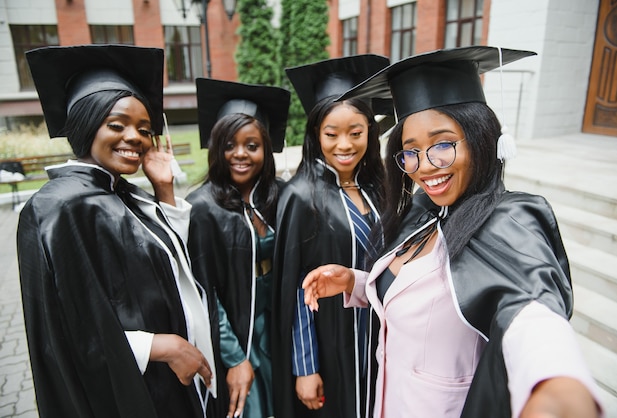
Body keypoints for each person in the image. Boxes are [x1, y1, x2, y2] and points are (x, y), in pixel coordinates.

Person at [301, 46, 604, 418]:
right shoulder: (425, 211)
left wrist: (557, 388)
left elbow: (532, 313)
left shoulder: (506, 220)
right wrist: (356, 282)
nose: (425, 166)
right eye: (410, 151)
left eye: (442, 144)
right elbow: (431, 293)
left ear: (480, 136)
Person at [17, 45, 217, 418]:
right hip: (125, 391)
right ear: (86, 121)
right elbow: (66, 333)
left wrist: (164, 191)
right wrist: (161, 346)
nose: (135, 138)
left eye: (144, 129)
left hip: (164, 381)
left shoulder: (120, 194)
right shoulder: (60, 208)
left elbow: (174, 267)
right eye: (117, 125)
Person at [272, 54, 392, 418]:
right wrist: (305, 366)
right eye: (331, 134)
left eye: (356, 133)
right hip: (330, 340)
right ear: (315, 134)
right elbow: (295, 286)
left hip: (382, 340)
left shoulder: (380, 186)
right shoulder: (300, 195)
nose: (344, 145)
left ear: (370, 132)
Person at [186, 78, 291, 418]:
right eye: (230, 144)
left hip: (277, 327)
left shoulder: (280, 196)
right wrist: (234, 358)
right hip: (237, 330)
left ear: (266, 148)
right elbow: (204, 291)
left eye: (252, 145)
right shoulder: (201, 207)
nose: (241, 154)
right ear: (217, 147)